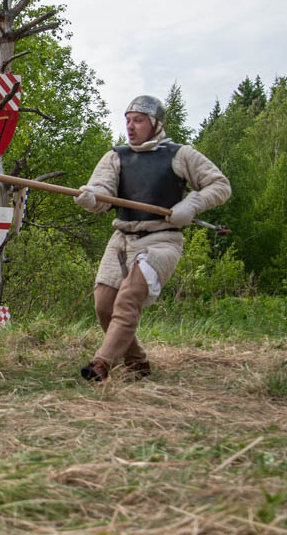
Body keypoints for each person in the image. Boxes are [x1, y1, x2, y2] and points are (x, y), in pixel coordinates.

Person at [74, 95, 231, 381]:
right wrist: (90, 197)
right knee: (104, 306)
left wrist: (192, 204)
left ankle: (100, 364)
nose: (131, 127)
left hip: (161, 241)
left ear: (155, 123)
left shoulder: (180, 155)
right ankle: (137, 363)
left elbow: (220, 185)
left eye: (138, 120)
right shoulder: (116, 156)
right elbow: (102, 194)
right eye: (128, 120)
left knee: (128, 299)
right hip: (122, 239)